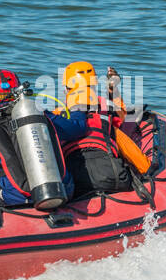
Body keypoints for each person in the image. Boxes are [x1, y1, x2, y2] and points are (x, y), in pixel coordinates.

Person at [0, 69, 88, 208]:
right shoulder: (38, 112)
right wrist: (78, 111)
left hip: (19, 198)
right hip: (64, 190)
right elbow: (77, 129)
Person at [61, 61, 152, 195]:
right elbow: (123, 122)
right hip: (113, 176)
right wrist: (148, 170)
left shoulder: (59, 114)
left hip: (76, 184)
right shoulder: (106, 108)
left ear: (67, 89)